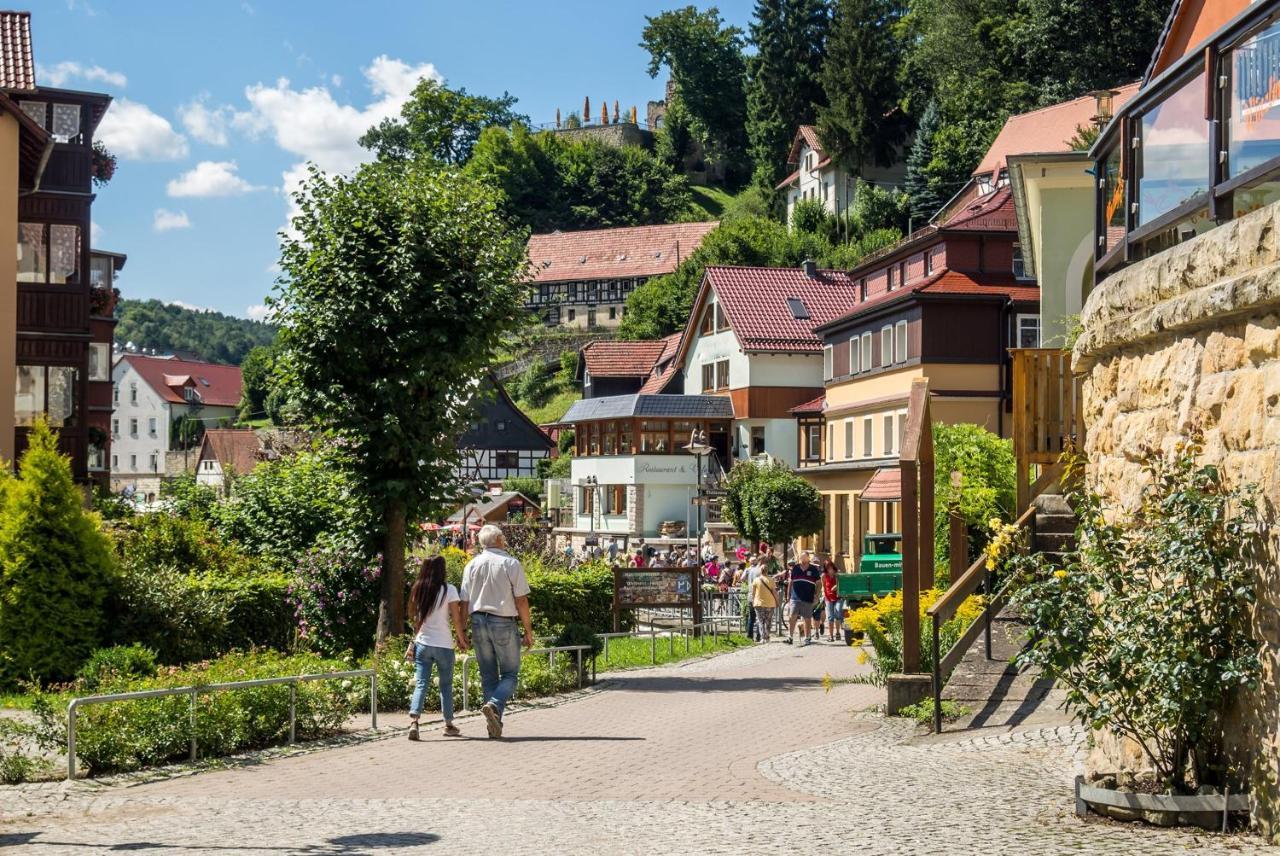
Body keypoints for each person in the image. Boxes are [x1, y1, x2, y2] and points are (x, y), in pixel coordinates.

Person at [460, 524, 535, 739]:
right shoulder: (511, 564)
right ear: (500, 540)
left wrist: (462, 631)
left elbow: (464, 601)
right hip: (503, 621)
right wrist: (528, 630)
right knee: (511, 674)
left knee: (488, 675)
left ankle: (494, 722)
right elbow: (521, 600)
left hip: (478, 622)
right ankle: (494, 704)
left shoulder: (471, 565)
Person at [404, 556, 468, 740]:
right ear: (442, 570)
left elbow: (416, 619)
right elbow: (456, 619)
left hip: (423, 643)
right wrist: (461, 638)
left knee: (421, 683)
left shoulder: (418, 589)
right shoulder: (449, 590)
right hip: (444, 645)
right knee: (445, 685)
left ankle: (414, 722)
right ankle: (448, 724)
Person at [785, 551, 821, 646]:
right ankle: (790, 636)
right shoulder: (796, 568)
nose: (803, 559)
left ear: (808, 558)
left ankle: (807, 637)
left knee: (807, 618)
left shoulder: (813, 569)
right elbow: (791, 582)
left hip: (808, 597)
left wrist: (816, 595)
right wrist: (788, 595)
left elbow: (818, 583)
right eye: (801, 558)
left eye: (804, 557)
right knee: (792, 617)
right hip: (795, 597)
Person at [750, 561, 778, 642]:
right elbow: (774, 592)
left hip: (759, 603)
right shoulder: (771, 580)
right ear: (767, 571)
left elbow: (753, 593)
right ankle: (767, 636)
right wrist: (777, 602)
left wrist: (753, 601)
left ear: (760, 571)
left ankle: (763, 638)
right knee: (768, 621)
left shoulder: (756, 580)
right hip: (770, 603)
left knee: (760, 621)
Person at [821, 559, 842, 642]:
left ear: (833, 566)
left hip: (838, 597)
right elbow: (823, 586)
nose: (830, 569)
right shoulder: (824, 576)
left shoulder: (837, 574)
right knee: (830, 617)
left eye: (831, 567)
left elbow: (842, 583)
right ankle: (831, 636)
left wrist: (836, 586)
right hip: (828, 598)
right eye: (828, 567)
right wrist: (823, 594)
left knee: (837, 614)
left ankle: (837, 632)